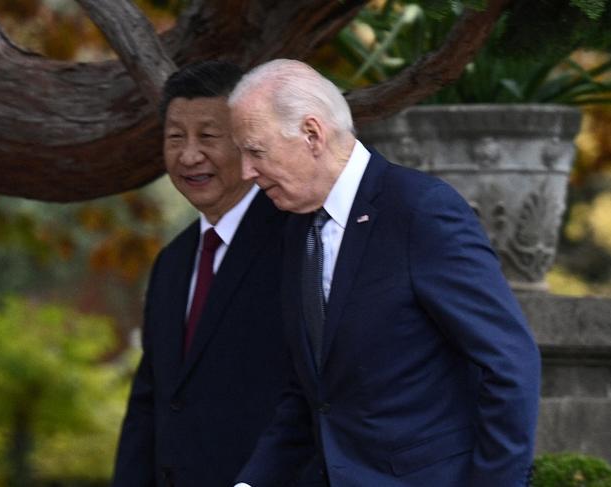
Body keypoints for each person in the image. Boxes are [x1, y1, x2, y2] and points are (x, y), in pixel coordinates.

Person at [228, 59, 541, 487]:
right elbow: (314, 393)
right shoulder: (299, 227)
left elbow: (509, 365)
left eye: (255, 151)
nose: (246, 171)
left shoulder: (419, 210)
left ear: (312, 134)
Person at [112, 60, 293, 487]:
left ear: (250, 143)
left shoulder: (297, 240)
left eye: (208, 137)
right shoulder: (173, 261)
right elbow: (150, 406)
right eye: (175, 138)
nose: (189, 155)